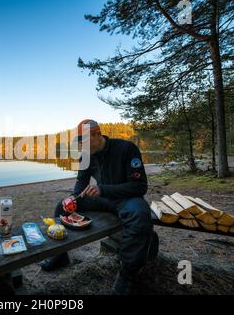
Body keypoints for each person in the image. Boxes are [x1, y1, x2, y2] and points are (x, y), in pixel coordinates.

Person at [39, 119, 155, 295]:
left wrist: (103, 189)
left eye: (83, 141)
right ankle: (60, 256)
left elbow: (139, 186)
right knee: (61, 207)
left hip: (126, 199)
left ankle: (127, 274)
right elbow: (81, 184)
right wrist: (72, 198)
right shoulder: (86, 155)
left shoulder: (126, 148)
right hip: (102, 199)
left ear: (97, 134)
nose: (81, 146)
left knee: (141, 216)